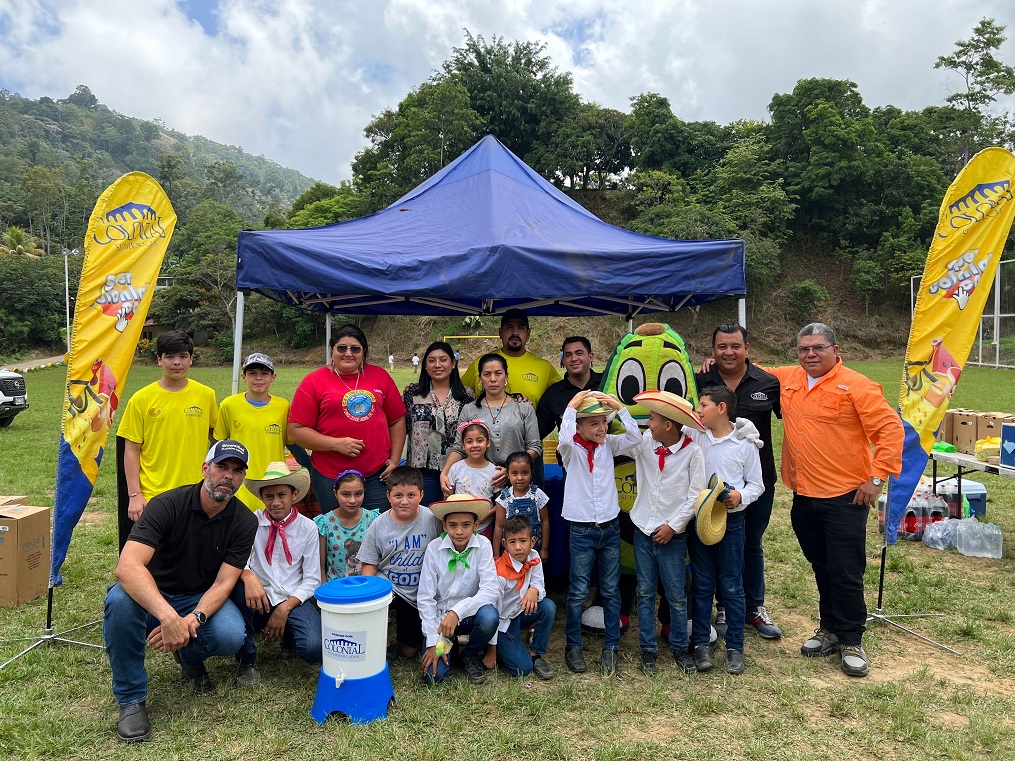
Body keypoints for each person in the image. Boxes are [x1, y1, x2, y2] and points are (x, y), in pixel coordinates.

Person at [768, 323, 903, 678]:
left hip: (845, 497)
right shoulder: (790, 378)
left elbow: (890, 430)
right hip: (804, 495)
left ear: (835, 349)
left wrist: (876, 479)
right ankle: (828, 628)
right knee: (822, 565)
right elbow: (748, 371)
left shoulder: (858, 386)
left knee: (845, 570)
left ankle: (851, 638)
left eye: (818, 348)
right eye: (803, 349)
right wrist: (712, 364)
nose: (810, 355)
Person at [102, 440, 256, 743]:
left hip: (197, 598)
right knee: (119, 601)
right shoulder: (167, 504)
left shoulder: (244, 520)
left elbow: (225, 582)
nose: (228, 475)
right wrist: (168, 617)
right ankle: (131, 700)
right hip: (151, 595)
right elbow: (128, 567)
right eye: (221, 466)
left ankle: (188, 656)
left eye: (237, 471)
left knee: (229, 635)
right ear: (205, 468)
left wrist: (192, 619)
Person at [695, 323, 783, 639]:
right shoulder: (701, 380)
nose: (728, 352)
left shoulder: (769, 383)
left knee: (751, 544)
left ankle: (754, 607)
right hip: (712, 488)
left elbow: (795, 419)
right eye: (721, 347)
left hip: (757, 481)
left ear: (747, 348)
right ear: (713, 351)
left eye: (735, 346)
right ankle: (723, 607)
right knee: (715, 542)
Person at [557, 391, 641, 676]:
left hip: (609, 526)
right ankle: (573, 645)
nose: (602, 428)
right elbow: (565, 438)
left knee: (610, 588)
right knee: (579, 590)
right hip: (582, 528)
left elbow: (635, 438)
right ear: (579, 426)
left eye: (603, 422)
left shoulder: (609, 445)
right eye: (593, 423)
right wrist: (571, 405)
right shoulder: (571, 450)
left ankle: (612, 647)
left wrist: (619, 408)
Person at [684, 386, 763, 676]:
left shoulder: (744, 444)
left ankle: (735, 648)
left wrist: (739, 496)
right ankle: (701, 644)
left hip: (731, 522)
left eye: (703, 405)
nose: (698, 409)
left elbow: (757, 485)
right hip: (701, 520)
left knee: (731, 584)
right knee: (702, 583)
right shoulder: (695, 435)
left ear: (721, 408)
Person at [626, 389, 706, 676]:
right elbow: (625, 441)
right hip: (643, 529)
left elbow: (695, 494)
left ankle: (679, 648)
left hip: (672, 534)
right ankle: (648, 649)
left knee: (675, 594)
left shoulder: (692, 452)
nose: (648, 423)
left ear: (669, 425)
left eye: (653, 419)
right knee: (645, 591)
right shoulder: (645, 443)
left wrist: (674, 526)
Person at [288, 324, 406, 514]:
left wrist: (394, 459)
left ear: (364, 351)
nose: (348, 353)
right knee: (337, 533)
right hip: (331, 476)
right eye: (341, 348)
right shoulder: (314, 381)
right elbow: (295, 431)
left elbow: (397, 420)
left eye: (355, 349)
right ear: (332, 350)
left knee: (375, 531)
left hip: (376, 475)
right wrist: (336, 444)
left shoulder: (380, 376)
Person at [232, 462, 322, 685]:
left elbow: (312, 579)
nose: (276, 502)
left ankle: (289, 635)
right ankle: (247, 659)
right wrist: (248, 576)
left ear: (294, 495)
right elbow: (236, 560)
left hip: (292, 597)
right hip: (258, 596)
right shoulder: (251, 522)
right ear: (262, 498)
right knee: (237, 587)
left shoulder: (308, 527)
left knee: (313, 649)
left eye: (282, 494)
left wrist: (285, 608)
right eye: (269, 496)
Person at [119, 330, 217, 522]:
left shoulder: (206, 395)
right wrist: (135, 495)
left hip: (196, 491)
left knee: (191, 549)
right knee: (157, 550)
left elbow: (217, 438)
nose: (176, 362)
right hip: (153, 493)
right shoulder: (141, 399)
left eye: (182, 356)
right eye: (170, 357)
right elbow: (131, 449)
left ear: (191, 360)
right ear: (159, 360)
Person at [359, 466, 442, 659]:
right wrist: (369, 598)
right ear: (388, 495)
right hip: (392, 589)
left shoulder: (431, 519)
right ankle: (380, 635)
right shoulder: (378, 524)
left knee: (409, 652)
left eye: (411, 495)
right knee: (376, 600)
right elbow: (369, 564)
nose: (404, 501)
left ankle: (421, 636)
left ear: (421, 495)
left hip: (421, 592)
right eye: (398, 495)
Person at [417, 494, 500, 685]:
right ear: (444, 526)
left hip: (469, 616)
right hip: (441, 622)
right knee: (433, 677)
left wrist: (457, 611)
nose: (459, 531)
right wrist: (432, 641)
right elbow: (425, 598)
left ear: (476, 525)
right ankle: (448, 645)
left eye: (466, 525)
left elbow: (490, 590)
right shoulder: (434, 548)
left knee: (490, 616)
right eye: (453, 525)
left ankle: (469, 655)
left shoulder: (483, 546)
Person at [441, 353, 541, 493]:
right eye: (487, 374)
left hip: (517, 480)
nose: (493, 379)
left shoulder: (523, 408)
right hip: (479, 480)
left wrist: (511, 469)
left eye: (498, 373)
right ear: (480, 378)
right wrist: (445, 473)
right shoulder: (470, 410)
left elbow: (534, 447)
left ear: (506, 376)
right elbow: (459, 447)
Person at [214, 352, 300, 512]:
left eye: (264, 373)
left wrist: (308, 466)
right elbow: (218, 444)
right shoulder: (229, 405)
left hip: (272, 482)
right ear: (243, 377)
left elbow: (292, 443)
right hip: (239, 483)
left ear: (273, 377)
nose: (258, 378)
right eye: (252, 373)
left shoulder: (283, 407)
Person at [402, 341, 475, 505]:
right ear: (425, 365)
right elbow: (400, 429)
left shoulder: (467, 396)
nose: (437, 365)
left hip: (458, 470)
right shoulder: (412, 394)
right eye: (431, 360)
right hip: (421, 472)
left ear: (453, 363)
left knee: (454, 523)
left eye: (443, 359)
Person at [484, 515, 556, 679]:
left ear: (532, 541)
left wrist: (534, 590)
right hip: (502, 622)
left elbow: (540, 586)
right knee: (522, 669)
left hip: (520, 613)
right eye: (512, 542)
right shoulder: (500, 573)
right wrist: (491, 651)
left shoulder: (534, 556)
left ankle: (536, 653)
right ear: (504, 544)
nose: (518, 547)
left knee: (548, 606)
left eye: (523, 541)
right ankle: (497, 647)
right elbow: (493, 613)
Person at [460, 308, 562, 410]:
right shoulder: (481, 363)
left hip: (529, 425)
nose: (515, 332)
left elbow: (566, 394)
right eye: (509, 327)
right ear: (500, 332)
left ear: (528, 333)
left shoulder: (544, 367)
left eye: (521, 327)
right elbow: (457, 394)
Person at [315, 470, 378, 580]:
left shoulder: (373, 519)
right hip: (336, 589)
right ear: (335, 493)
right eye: (346, 494)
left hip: (367, 587)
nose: (352, 500)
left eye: (358, 494)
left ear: (364, 492)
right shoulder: (325, 523)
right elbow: (320, 567)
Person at [536, 336, 602, 440]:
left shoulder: (606, 383)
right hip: (570, 455)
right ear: (563, 360)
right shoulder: (553, 394)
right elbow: (538, 432)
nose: (574, 358)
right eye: (568, 355)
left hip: (608, 454)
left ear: (591, 356)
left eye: (579, 353)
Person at [445, 420, 498, 537]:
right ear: (463, 445)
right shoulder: (456, 468)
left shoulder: (494, 471)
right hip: (460, 528)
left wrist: (487, 514)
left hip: (485, 526)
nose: (475, 445)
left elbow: (500, 502)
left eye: (480, 440)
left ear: (488, 442)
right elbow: (448, 497)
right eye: (469, 441)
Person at [492, 451, 550, 558]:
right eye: (514, 473)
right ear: (508, 475)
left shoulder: (538, 494)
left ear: (531, 473)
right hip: (509, 552)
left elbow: (545, 522)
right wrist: (496, 554)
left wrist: (544, 549)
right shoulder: (503, 498)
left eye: (524, 473)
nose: (520, 478)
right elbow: (498, 527)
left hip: (534, 550)